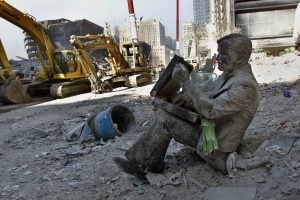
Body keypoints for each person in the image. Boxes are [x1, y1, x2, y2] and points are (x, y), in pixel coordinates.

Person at [113, 33, 260, 178]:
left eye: (223, 54)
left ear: (239, 57)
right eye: (218, 53)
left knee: (165, 119)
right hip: (210, 133)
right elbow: (206, 101)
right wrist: (178, 101)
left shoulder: (245, 86)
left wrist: (185, 82)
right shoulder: (229, 76)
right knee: (165, 112)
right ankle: (147, 162)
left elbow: (210, 110)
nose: (218, 59)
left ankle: (142, 165)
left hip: (217, 148)